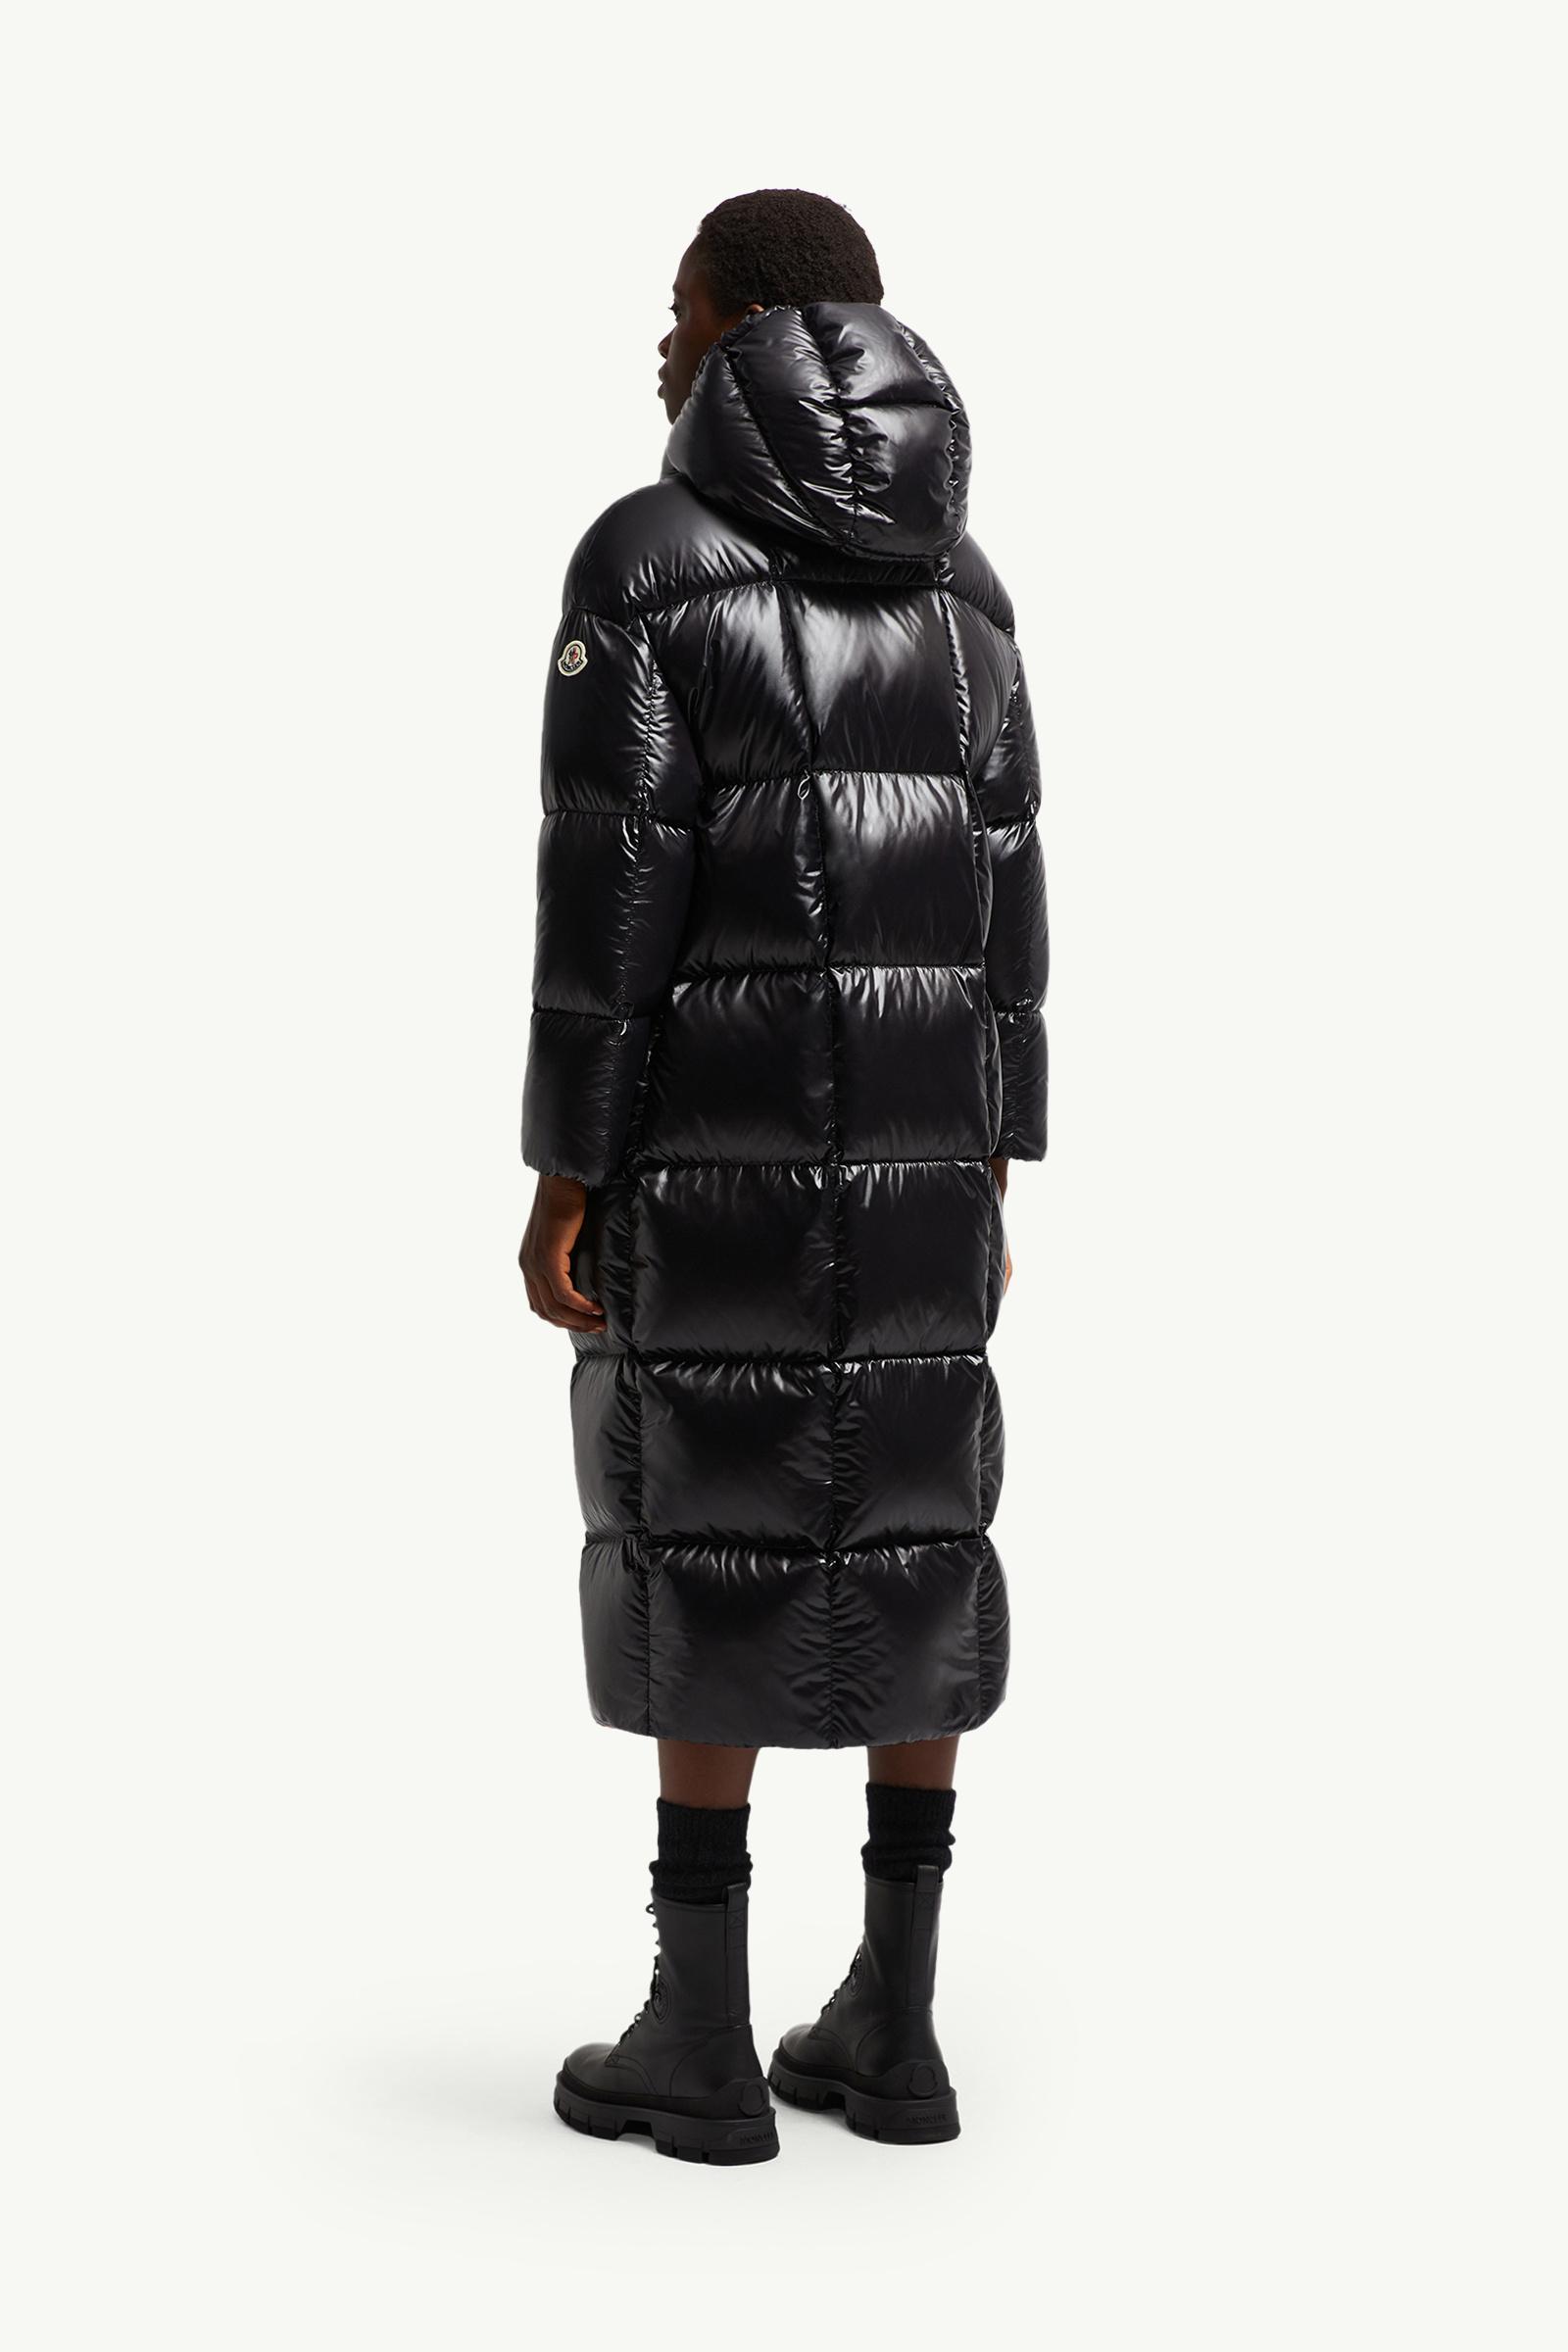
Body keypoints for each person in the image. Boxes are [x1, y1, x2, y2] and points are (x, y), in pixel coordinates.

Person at [518, 187, 1049, 2165]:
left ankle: (701, 2034)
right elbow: (1007, 891)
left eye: (681, 308)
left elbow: (609, 888)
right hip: (923, 1162)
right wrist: (993, 1152)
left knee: (705, 1534)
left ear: (739, 318)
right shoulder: (965, 582)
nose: (661, 343)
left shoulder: (646, 559)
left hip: (708, 1148)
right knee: (910, 1531)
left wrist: (564, 1165)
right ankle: (893, 2029)